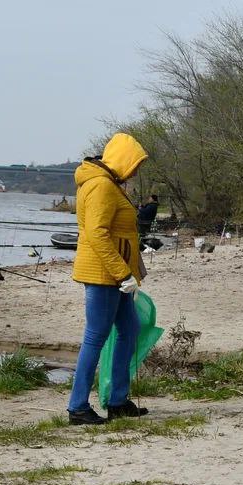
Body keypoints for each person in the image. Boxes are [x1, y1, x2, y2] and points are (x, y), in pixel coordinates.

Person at [67, 132, 152, 425]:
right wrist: (122, 273)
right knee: (95, 338)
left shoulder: (111, 184)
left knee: (131, 329)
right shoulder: (101, 186)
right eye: (135, 164)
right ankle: (77, 407)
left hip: (118, 276)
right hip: (105, 275)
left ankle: (117, 400)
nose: (137, 171)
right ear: (122, 160)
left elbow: (119, 232)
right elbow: (97, 234)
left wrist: (130, 271)